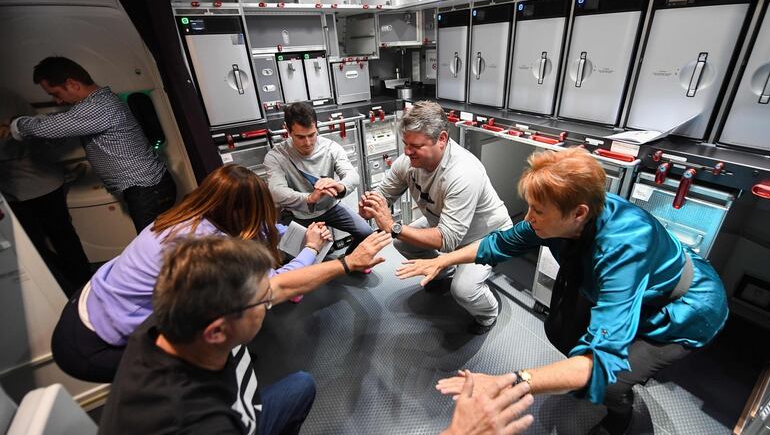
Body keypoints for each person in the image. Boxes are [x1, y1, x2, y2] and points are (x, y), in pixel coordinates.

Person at [397, 148, 729, 434]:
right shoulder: (564, 212)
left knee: (610, 380)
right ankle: (585, 376)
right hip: (632, 288)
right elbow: (499, 243)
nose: (529, 218)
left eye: (538, 212)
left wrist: (513, 382)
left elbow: (602, 357)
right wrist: (442, 260)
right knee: (561, 329)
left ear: (578, 214)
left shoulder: (624, 249)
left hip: (683, 307)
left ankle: (621, 420)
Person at [98, 237, 529, 435]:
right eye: (261, 300)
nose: (272, 298)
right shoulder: (193, 422)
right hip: (234, 422)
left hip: (246, 409)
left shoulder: (173, 321)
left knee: (301, 386)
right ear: (217, 332)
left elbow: (282, 286)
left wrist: (346, 264)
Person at [50, 164, 335, 385]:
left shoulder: (193, 213)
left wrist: (295, 233)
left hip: (89, 301)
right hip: (95, 343)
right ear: (237, 212)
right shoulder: (206, 249)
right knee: (193, 378)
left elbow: (259, 228)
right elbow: (273, 286)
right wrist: (310, 249)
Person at [360, 101, 512, 335]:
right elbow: (384, 195)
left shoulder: (463, 172)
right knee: (403, 242)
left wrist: (393, 226)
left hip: (486, 235)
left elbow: (447, 240)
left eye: (415, 146)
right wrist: (369, 206)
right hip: (444, 224)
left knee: (464, 290)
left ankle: (488, 314)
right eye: (405, 144)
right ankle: (442, 273)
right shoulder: (407, 163)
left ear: (441, 139)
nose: (407, 152)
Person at [3, 56, 175, 233]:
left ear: (72, 84)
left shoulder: (99, 106)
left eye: (55, 93)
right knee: (157, 241)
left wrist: (16, 123)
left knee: (155, 243)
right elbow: (61, 124)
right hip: (145, 188)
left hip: (147, 190)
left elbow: (49, 127)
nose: (57, 101)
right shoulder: (92, 104)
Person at [0, 87, 90, 296]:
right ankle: (66, 288)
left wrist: (11, 129)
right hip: (11, 190)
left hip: (40, 181)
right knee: (34, 246)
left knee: (62, 239)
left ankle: (83, 286)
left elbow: (31, 130)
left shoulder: (7, 96)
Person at [263, 102, 372, 254]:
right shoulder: (276, 156)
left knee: (367, 233)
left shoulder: (330, 147)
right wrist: (309, 198)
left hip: (331, 207)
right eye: (300, 137)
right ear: (287, 130)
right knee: (291, 255)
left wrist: (339, 186)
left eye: (312, 135)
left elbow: (352, 176)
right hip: (297, 213)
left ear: (316, 127)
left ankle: (346, 261)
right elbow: (276, 191)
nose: (308, 143)